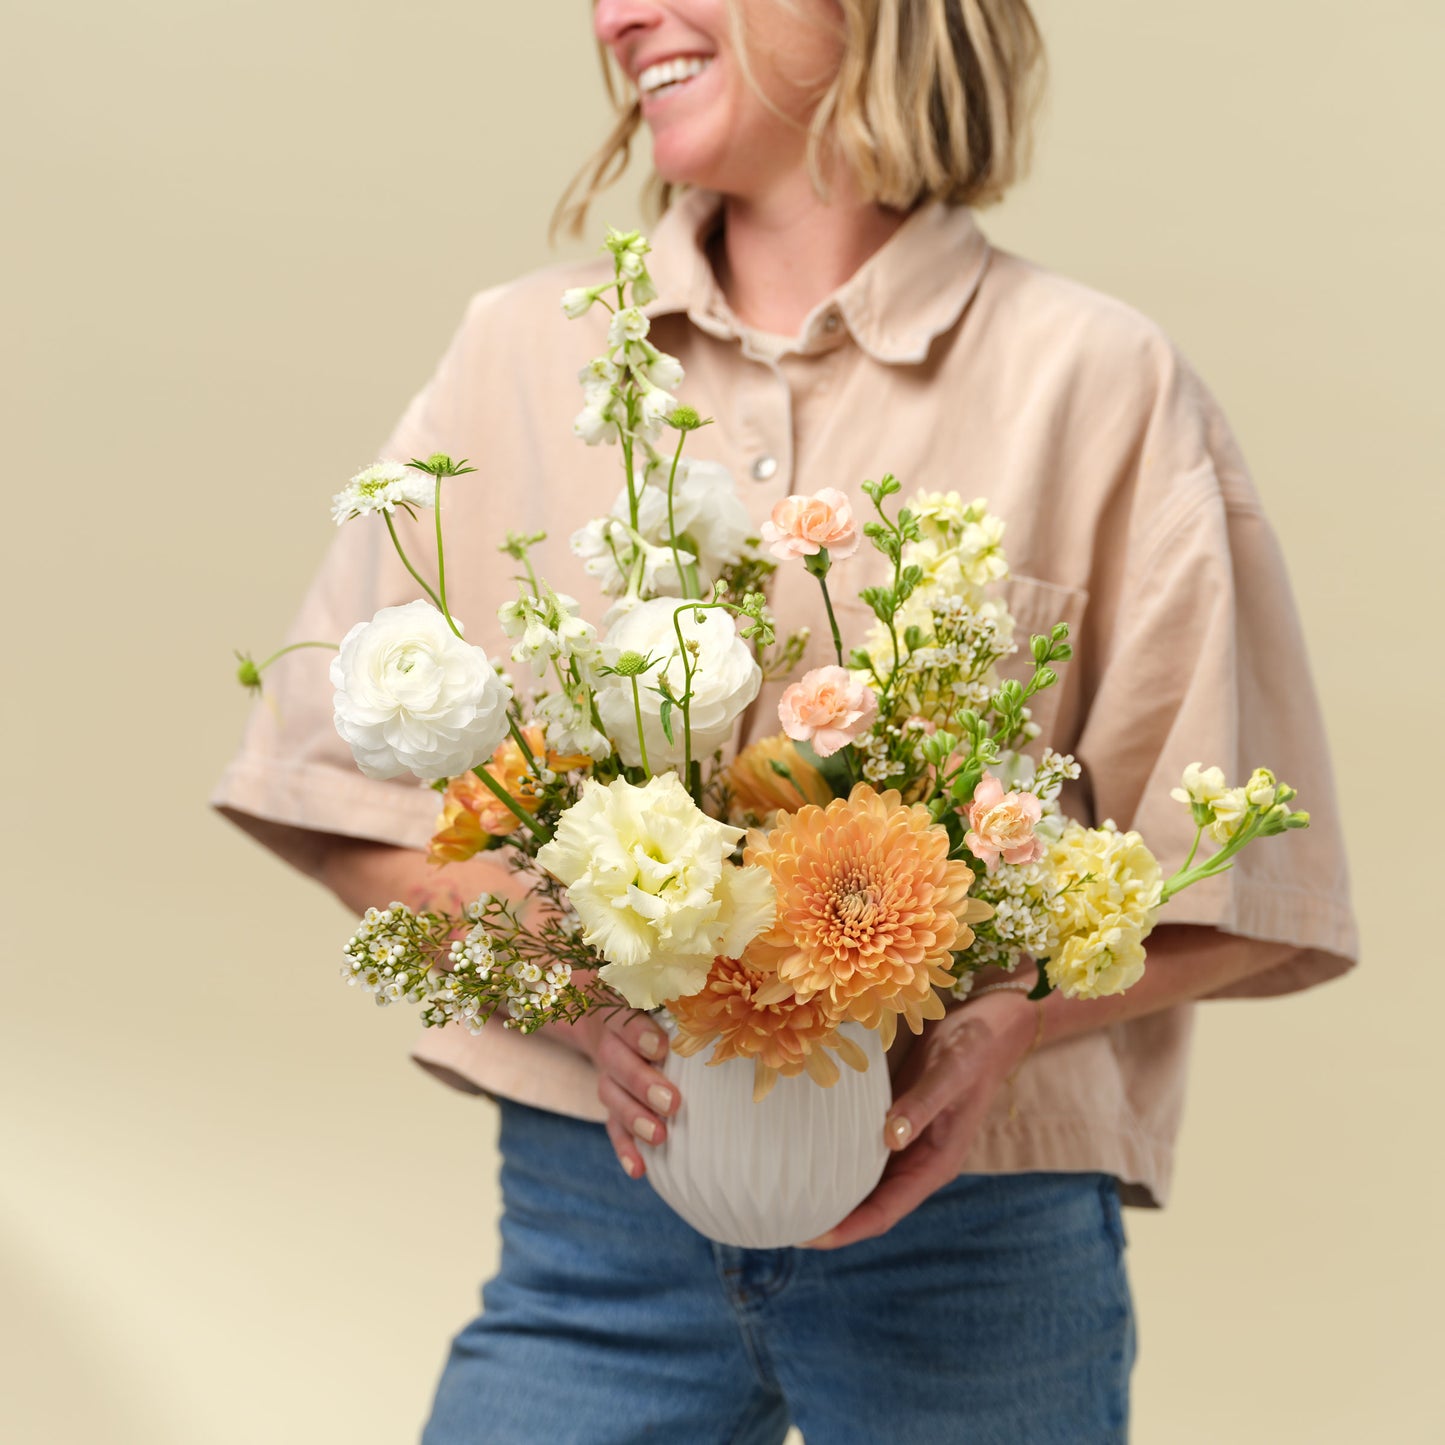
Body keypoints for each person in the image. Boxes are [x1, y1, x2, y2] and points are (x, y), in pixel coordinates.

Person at [211, 2, 1359, 1439]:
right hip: (593, 1227)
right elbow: (337, 798)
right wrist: (559, 989)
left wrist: (998, 1026)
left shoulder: (1098, 378)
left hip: (978, 1249)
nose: (617, 12)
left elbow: (1245, 883)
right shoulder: (517, 355)